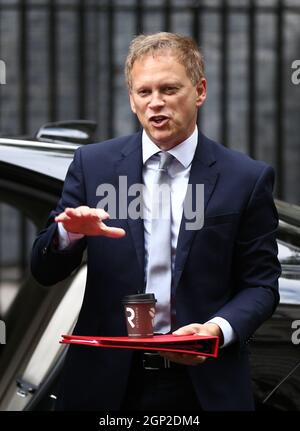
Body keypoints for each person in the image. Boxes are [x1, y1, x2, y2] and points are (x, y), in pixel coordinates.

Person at [31, 32, 281, 411]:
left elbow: (262, 285)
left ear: (199, 91)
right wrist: (68, 233)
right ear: (132, 100)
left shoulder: (245, 178)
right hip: (106, 383)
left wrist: (216, 331)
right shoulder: (93, 166)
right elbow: (44, 270)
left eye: (169, 89)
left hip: (202, 386)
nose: (156, 103)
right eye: (144, 92)